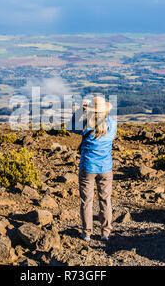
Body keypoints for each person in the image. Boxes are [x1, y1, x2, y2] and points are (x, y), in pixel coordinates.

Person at [70, 96, 117, 242]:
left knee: (86, 201)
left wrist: (80, 109)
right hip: (105, 168)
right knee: (105, 200)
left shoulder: (86, 125)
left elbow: (71, 125)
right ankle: (105, 233)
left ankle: (86, 233)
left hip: (87, 168)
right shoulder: (112, 124)